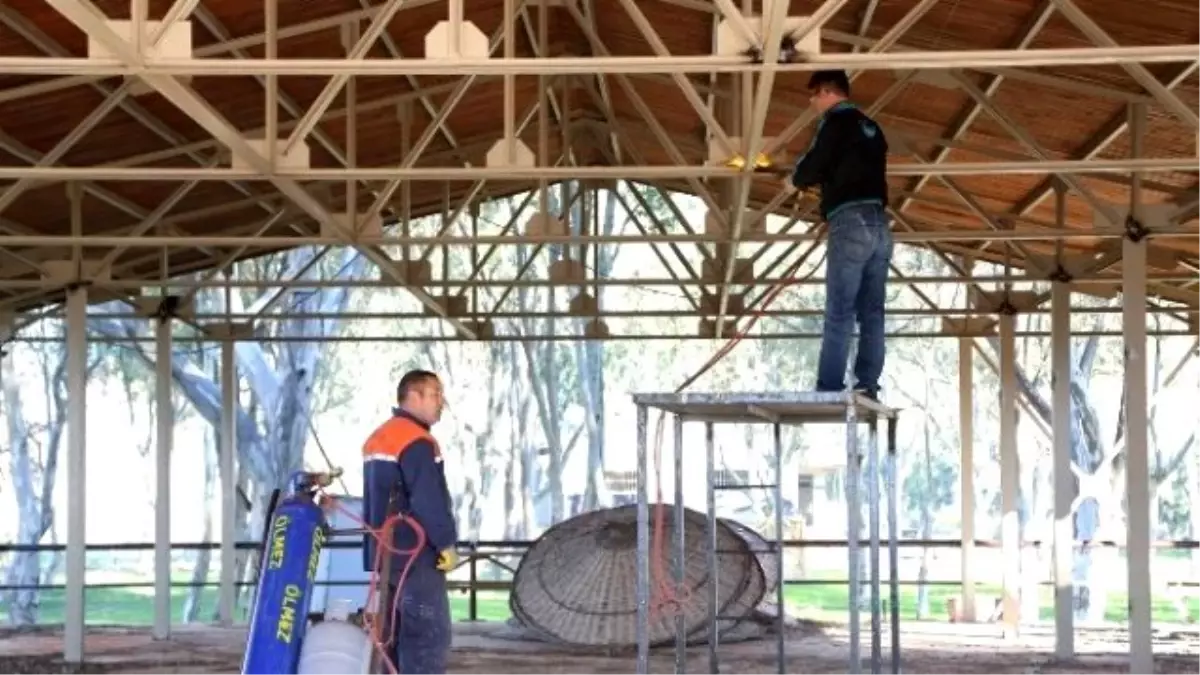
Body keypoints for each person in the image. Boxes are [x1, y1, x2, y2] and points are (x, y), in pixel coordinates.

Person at [787, 69, 893, 400]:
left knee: (840, 309)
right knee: (872, 311)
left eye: (814, 94)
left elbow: (815, 162)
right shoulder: (872, 128)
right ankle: (867, 384)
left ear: (827, 93)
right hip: (880, 224)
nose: (812, 101)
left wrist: (795, 179)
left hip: (850, 222)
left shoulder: (835, 123)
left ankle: (829, 386)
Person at [362, 369, 458, 673]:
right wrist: (445, 542)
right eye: (435, 394)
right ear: (413, 396)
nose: (441, 402)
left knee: (391, 637)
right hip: (417, 556)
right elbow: (427, 498)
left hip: (387, 555)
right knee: (426, 638)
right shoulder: (415, 440)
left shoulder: (381, 437)